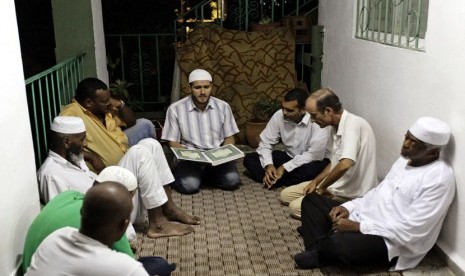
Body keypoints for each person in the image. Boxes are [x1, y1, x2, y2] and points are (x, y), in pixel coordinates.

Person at [294, 117, 455, 271]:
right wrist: (348, 207)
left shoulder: (439, 179)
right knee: (312, 201)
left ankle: (320, 243)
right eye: (407, 137)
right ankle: (322, 246)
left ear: (433, 153)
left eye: (414, 143)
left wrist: (359, 227)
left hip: (391, 241)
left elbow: (411, 230)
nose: (405, 144)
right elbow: (378, 193)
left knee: (338, 244)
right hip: (366, 218)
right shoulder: (405, 160)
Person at [38, 116, 197, 239]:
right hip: (110, 216)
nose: (85, 143)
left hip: (118, 198)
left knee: (150, 144)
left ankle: (167, 208)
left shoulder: (74, 158)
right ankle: (157, 224)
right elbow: (61, 218)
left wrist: (90, 157)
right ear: (66, 141)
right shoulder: (51, 174)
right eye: (82, 139)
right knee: (139, 153)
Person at [23, 166, 170, 274]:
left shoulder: (56, 237)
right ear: (123, 225)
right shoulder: (127, 268)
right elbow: (128, 260)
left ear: (82, 211)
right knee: (160, 265)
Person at [279, 88, 377, 218]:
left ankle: (350, 213)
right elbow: (334, 162)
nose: (312, 121)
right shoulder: (333, 126)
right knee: (285, 195)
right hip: (335, 185)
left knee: (295, 208)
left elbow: (345, 164)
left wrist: (321, 189)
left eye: (314, 115)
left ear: (328, 111)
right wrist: (316, 182)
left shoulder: (352, 126)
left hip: (351, 193)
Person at [161, 69, 240, 194]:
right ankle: (183, 174)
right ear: (189, 88)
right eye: (197, 87)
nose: (203, 92)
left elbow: (229, 137)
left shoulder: (223, 107)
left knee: (232, 181)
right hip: (190, 159)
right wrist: (190, 156)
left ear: (211, 87)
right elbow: (172, 142)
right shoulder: (175, 109)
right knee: (189, 186)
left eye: (206, 87)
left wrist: (225, 155)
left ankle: (202, 176)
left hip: (216, 158)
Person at [59, 77, 155, 171]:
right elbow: (62, 146)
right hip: (113, 167)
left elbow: (131, 122)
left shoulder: (106, 108)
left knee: (145, 125)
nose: (109, 103)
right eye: (105, 101)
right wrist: (91, 157)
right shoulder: (71, 114)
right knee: (148, 150)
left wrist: (120, 104)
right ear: (89, 103)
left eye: (109, 99)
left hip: (123, 144)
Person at [243, 88, 330, 189]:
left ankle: (275, 180)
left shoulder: (317, 120)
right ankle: (279, 179)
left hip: (311, 161)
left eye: (290, 110)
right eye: (283, 108)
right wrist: (269, 165)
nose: (284, 112)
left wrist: (284, 167)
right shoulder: (279, 115)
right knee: (250, 159)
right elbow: (266, 143)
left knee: (313, 170)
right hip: (289, 156)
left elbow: (314, 155)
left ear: (303, 110)